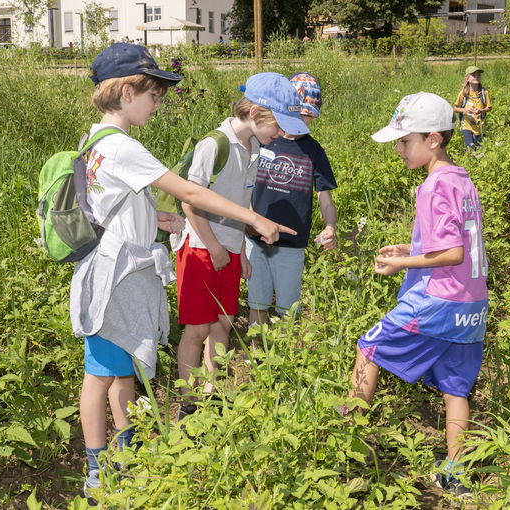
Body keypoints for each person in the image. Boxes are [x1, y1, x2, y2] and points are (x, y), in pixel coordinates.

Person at [72, 43, 291, 498]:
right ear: (127, 92)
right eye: (154, 94)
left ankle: (125, 453)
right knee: (101, 374)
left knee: (120, 371)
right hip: (116, 279)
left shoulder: (93, 141)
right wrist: (252, 218)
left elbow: (115, 208)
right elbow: (190, 190)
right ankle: (97, 468)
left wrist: (162, 221)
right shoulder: (121, 146)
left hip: (115, 271)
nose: (159, 103)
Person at [343, 92, 488, 498]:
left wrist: (400, 265)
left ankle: (344, 443)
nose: (400, 150)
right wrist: (408, 249)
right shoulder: (461, 179)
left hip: (439, 300)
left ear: (434, 139)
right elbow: (457, 243)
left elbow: (453, 252)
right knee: (455, 388)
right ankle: (455, 475)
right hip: (471, 304)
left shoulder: (432, 186)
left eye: (406, 141)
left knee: (369, 347)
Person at [170, 72, 307, 420]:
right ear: (258, 115)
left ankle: (211, 392)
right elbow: (191, 202)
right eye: (278, 125)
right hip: (201, 246)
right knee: (197, 328)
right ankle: (189, 402)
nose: (280, 134)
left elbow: (241, 203)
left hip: (230, 249)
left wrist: (242, 251)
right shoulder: (214, 145)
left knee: (224, 323)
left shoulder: (257, 148)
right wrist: (215, 246)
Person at [246, 72, 338, 328]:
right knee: (257, 304)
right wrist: (250, 220)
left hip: (292, 243)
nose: (304, 122)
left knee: (289, 309)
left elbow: (326, 199)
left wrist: (330, 226)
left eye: (310, 117)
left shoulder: (313, 151)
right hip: (255, 239)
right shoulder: (262, 141)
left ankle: (285, 361)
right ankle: (257, 359)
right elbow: (243, 187)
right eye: (300, 115)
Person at [454, 66, 491, 151]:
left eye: (478, 75)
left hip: (480, 127)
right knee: (470, 149)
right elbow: (456, 108)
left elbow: (489, 108)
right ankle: (467, 162)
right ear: (467, 78)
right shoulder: (463, 93)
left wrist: (480, 111)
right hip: (467, 126)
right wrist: (465, 110)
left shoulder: (484, 92)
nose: (477, 77)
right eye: (474, 75)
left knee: (479, 150)